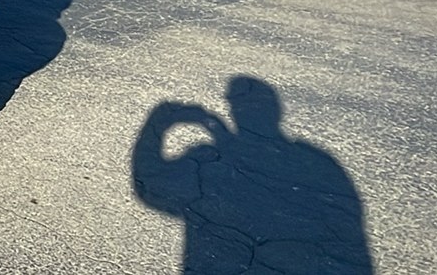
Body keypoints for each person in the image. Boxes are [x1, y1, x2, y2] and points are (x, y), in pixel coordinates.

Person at [132, 76, 373, 274]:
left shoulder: (208, 163)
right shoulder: (318, 162)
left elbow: (149, 182)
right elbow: (350, 239)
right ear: (275, 111)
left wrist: (161, 119)